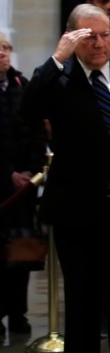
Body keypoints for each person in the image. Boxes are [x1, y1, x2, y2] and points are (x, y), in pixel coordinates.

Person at [20, 4, 110, 353]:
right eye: (89, 37)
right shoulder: (59, 78)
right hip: (77, 211)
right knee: (83, 305)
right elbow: (29, 111)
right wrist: (57, 58)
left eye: (104, 35)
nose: (99, 44)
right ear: (71, 38)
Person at [0, 32, 46, 336]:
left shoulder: (22, 85)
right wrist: (7, 174)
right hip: (1, 187)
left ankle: (18, 313)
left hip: (23, 189)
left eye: (6, 48)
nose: (2, 53)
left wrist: (29, 171)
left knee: (22, 252)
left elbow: (37, 130)